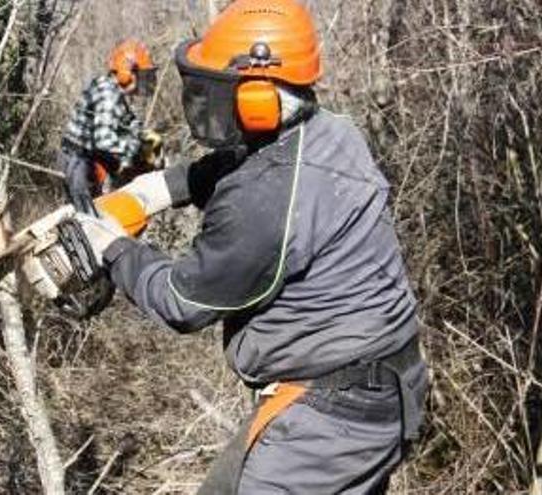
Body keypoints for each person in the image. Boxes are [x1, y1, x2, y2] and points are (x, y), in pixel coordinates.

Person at [71, 1, 428, 493]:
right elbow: (238, 161)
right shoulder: (333, 133)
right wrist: (156, 190)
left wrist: (113, 248)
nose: (206, 102)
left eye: (218, 91)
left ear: (259, 97)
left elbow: (182, 302)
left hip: (331, 419)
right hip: (386, 384)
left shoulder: (266, 197)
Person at [60, 39, 162, 215]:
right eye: (143, 76)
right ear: (128, 73)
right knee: (88, 219)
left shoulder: (113, 90)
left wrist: (145, 137)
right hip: (77, 160)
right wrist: (135, 148)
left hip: (88, 157)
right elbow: (104, 141)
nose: (145, 82)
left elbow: (128, 121)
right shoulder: (108, 94)